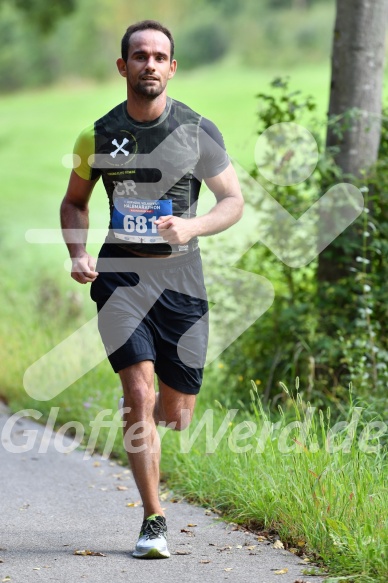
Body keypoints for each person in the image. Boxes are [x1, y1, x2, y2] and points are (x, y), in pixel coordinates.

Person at [60, 19, 243, 559]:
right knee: (138, 396)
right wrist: (77, 250)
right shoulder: (94, 135)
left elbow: (231, 201)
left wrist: (192, 226)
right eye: (139, 56)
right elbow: (75, 201)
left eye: (160, 56)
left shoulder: (199, 131)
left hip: (182, 278)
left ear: (172, 67)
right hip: (122, 276)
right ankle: (154, 519)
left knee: (175, 412)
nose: (150, 64)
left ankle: (149, 429)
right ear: (123, 66)